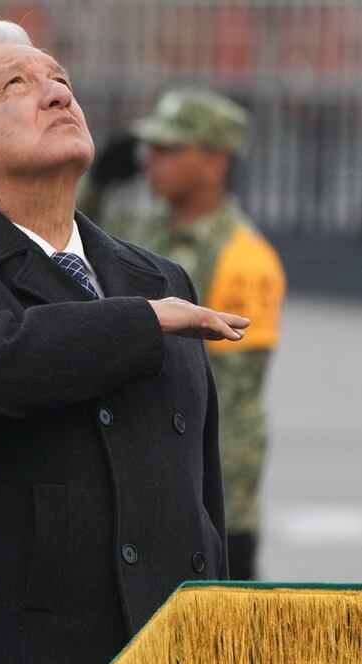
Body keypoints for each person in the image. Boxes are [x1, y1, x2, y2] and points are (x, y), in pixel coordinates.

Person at [0, 21, 252, 664]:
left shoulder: (158, 280)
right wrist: (140, 322)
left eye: (60, 79)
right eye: (16, 84)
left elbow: (201, 499)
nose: (58, 94)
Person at [100, 89, 286, 580]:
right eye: (151, 147)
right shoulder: (137, 227)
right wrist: (95, 183)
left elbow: (228, 397)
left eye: (169, 149)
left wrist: (219, 508)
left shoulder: (245, 259)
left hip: (206, 496)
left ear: (214, 161)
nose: (150, 160)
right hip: (142, 479)